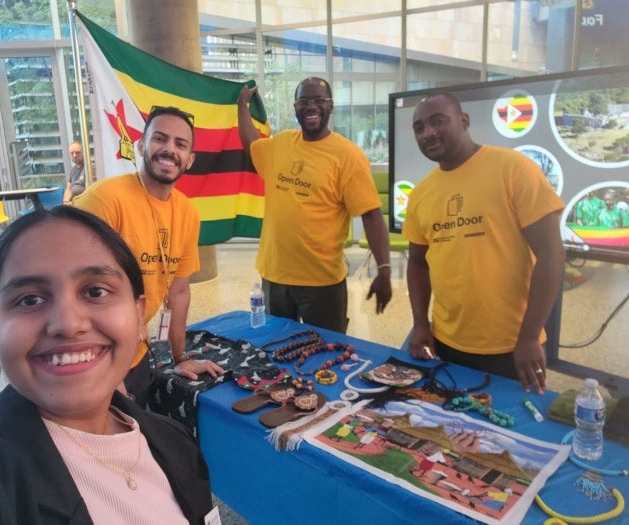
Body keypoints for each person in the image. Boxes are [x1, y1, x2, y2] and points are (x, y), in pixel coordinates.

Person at [0, 206, 214, 525]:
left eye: (96, 291)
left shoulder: (176, 441)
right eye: (29, 300)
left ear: (138, 315)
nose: (67, 324)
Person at [402, 91, 566, 394]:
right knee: (449, 431)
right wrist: (420, 323)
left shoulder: (514, 168)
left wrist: (529, 337)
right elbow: (416, 263)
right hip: (447, 342)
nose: (428, 132)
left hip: (512, 345)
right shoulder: (422, 193)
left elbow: (552, 254)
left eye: (438, 121)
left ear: (464, 121)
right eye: (419, 127)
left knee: (511, 435)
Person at [75, 106, 223, 404]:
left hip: (138, 354)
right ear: (141, 146)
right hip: (90, 361)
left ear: (189, 160)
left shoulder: (187, 213)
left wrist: (180, 357)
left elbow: (179, 291)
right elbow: (77, 293)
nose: (169, 149)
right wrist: (107, 373)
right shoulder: (105, 200)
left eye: (180, 144)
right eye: (160, 139)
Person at [237, 77, 392, 333]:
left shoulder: (348, 156)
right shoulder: (281, 143)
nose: (312, 106)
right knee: (276, 351)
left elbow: (371, 215)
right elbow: (251, 144)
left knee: (326, 356)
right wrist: (241, 106)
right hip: (274, 277)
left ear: (331, 106)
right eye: (304, 101)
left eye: (319, 100)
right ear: (295, 107)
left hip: (322, 283)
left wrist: (384, 269)